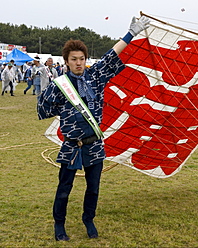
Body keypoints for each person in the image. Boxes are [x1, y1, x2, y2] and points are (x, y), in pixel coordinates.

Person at [37, 15, 150, 241]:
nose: (79, 62)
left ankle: (88, 220)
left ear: (85, 59)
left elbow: (111, 56)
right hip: (71, 146)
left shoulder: (96, 76)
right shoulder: (59, 85)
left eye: (82, 58)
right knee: (64, 189)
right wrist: (66, 111)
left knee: (94, 188)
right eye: (74, 59)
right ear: (66, 61)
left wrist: (131, 34)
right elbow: (43, 109)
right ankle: (59, 225)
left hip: (94, 146)